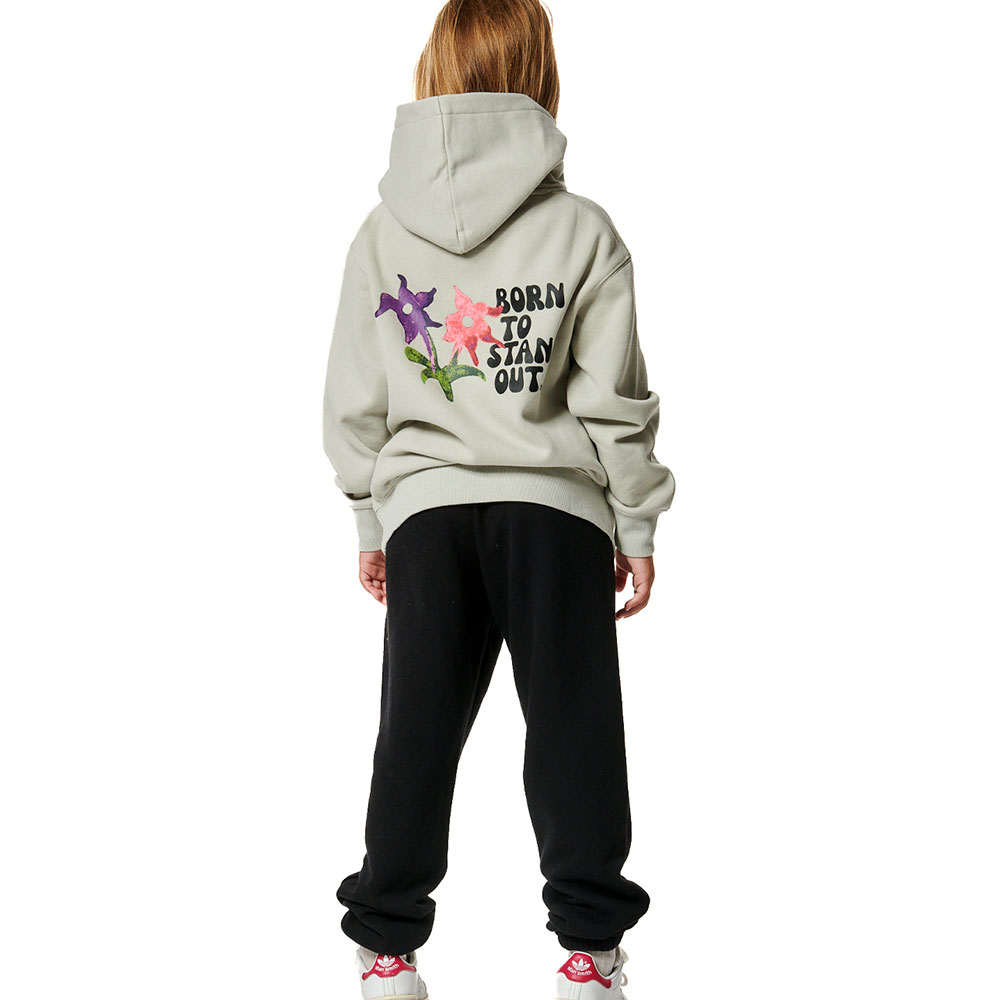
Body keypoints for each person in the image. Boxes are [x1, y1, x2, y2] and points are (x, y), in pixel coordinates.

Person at [322, 2, 676, 997]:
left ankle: (387, 951)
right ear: (541, 76)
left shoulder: (382, 232)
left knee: (416, 731)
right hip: (554, 513)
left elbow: (356, 394)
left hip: (426, 513)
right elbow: (612, 398)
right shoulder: (582, 229)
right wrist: (635, 519)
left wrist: (370, 514)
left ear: (433, 70)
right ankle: (588, 955)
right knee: (572, 728)